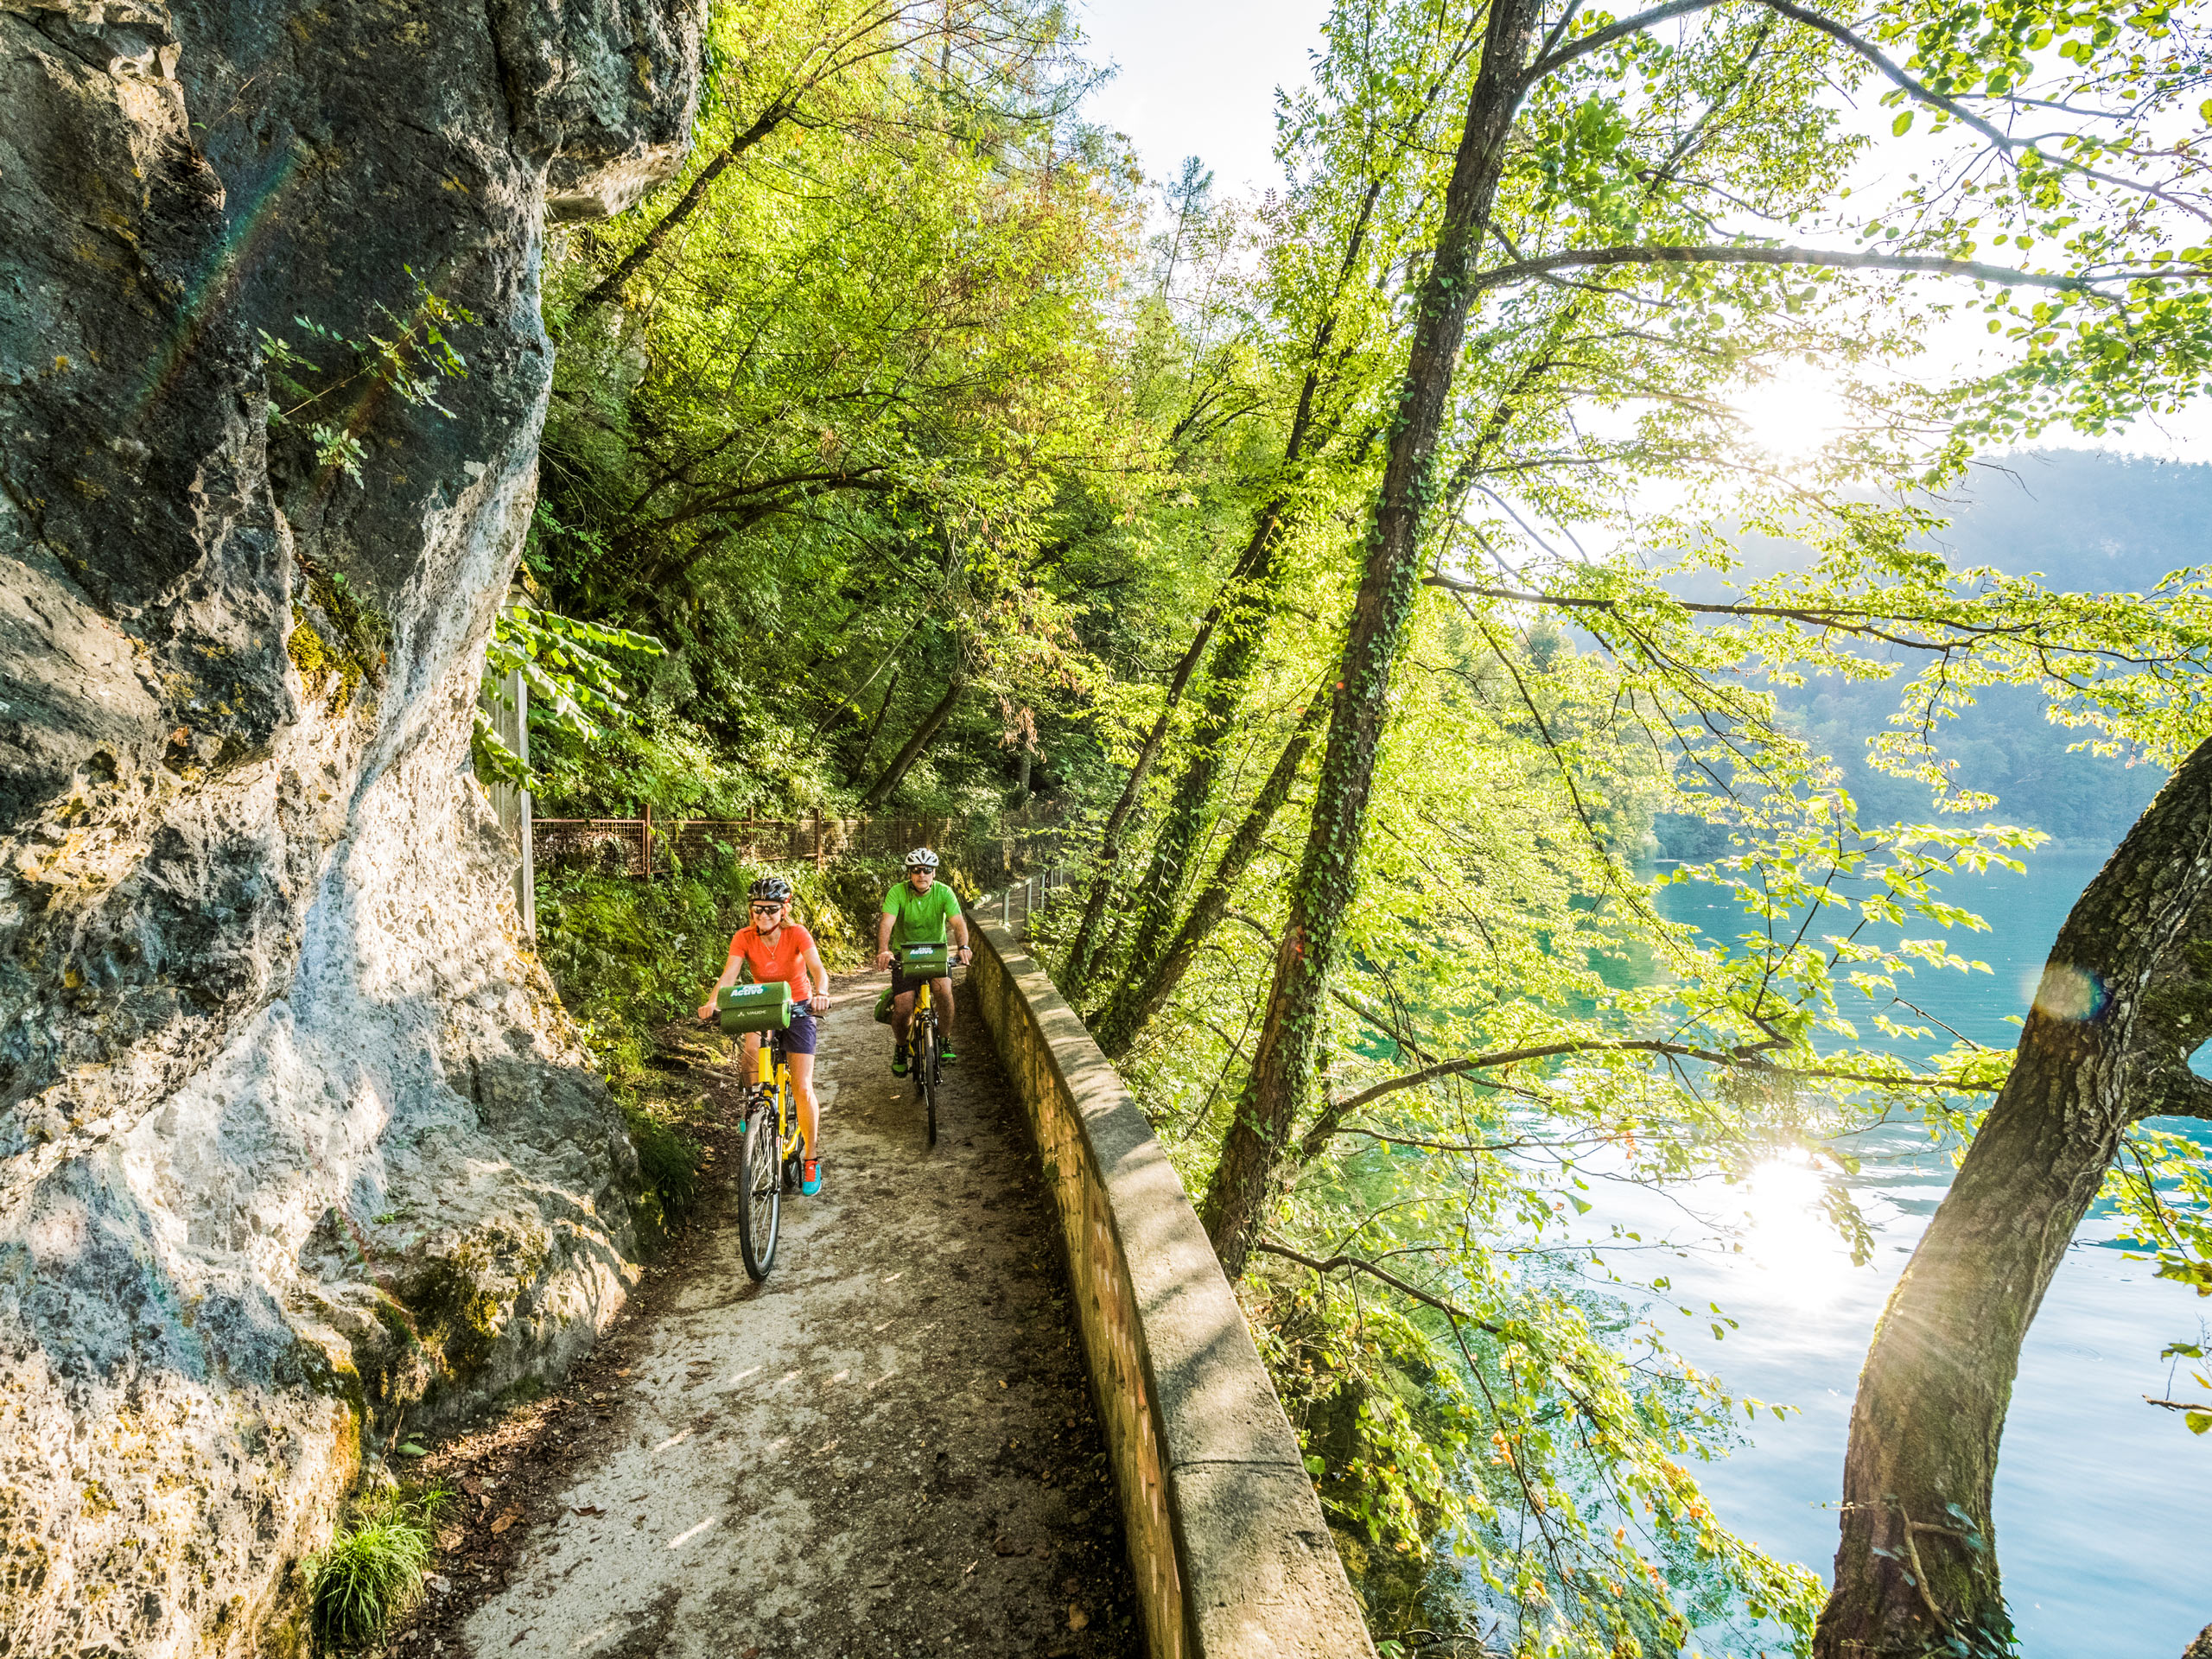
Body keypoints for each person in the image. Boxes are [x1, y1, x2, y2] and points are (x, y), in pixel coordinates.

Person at [698, 874, 831, 1195]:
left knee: (801, 1086)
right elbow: (729, 975)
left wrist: (822, 992)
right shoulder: (743, 937)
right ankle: (754, 1106)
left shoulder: (797, 933)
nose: (763, 916)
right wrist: (714, 1002)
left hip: (798, 1006)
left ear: (784, 910)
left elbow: (817, 968)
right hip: (763, 1003)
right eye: (757, 909)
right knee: (749, 1056)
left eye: (771, 909)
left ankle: (811, 1158)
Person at [874, 847, 969, 1076]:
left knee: (945, 992)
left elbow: (958, 924)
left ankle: (945, 1040)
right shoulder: (897, 892)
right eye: (916, 870)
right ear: (910, 873)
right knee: (903, 1007)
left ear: (934, 873)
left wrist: (963, 947)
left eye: (927, 870)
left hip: (935, 953)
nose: (922, 875)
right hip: (904, 955)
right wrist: (884, 950)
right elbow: (887, 923)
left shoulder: (944, 893)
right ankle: (900, 1047)